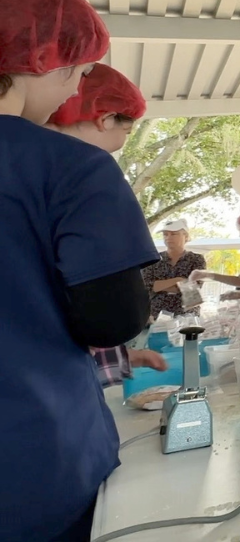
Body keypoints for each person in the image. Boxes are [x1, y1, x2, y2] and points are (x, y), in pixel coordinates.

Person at [0, 0, 158, 541]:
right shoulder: (71, 167)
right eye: (79, 68)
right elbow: (111, 318)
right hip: (33, 454)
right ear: (41, 57)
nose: (77, 87)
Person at [46, 63, 170, 383]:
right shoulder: (84, 169)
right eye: (126, 133)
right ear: (106, 118)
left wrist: (124, 357)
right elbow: (113, 317)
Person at [140, 218, 207, 317]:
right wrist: (178, 280)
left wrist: (160, 287)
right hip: (157, 315)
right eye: (165, 234)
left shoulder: (196, 259)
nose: (168, 237)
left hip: (187, 316)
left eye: (173, 234)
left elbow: (194, 288)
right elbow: (146, 286)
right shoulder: (153, 259)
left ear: (186, 236)